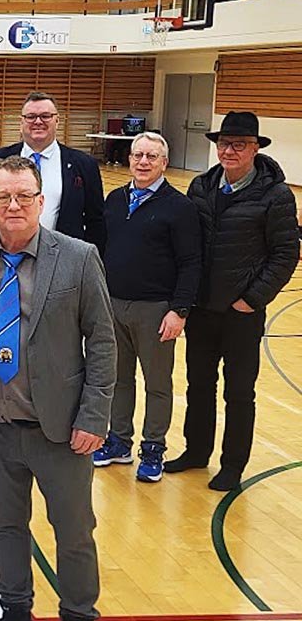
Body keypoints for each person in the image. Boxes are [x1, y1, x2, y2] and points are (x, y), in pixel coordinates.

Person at [0, 155, 115, 621]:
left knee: (74, 530)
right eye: (3, 196)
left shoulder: (78, 257)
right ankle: (16, 612)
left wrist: (94, 415)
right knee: (7, 524)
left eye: (24, 196)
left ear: (42, 201)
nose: (14, 205)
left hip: (61, 429)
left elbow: (103, 342)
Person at [165, 112, 298, 491]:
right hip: (202, 310)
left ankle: (232, 466)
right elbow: (186, 246)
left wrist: (251, 299)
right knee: (198, 386)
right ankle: (196, 451)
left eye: (239, 144)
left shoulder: (276, 195)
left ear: (255, 149)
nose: (229, 151)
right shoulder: (201, 187)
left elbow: (286, 254)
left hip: (242, 315)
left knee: (239, 393)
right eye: (224, 143)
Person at [92, 132, 201, 482]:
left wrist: (179, 310)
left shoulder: (179, 207)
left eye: (151, 156)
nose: (143, 162)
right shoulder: (115, 199)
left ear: (164, 163)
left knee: (157, 384)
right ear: (129, 159)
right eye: (138, 155)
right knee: (118, 379)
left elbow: (191, 262)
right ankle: (119, 441)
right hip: (113, 305)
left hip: (156, 310)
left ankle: (153, 447)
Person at [0, 91, 106, 251]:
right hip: (9, 252)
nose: (38, 122)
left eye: (45, 116)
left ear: (57, 121)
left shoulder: (84, 164)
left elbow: (96, 221)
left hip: (63, 256)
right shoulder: (0, 158)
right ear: (21, 122)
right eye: (31, 116)